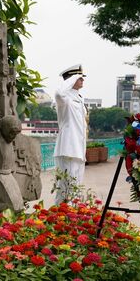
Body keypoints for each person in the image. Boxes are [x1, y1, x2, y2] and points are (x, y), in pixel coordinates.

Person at [53, 64, 88, 202]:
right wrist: (69, 80)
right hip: (68, 148)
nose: (83, 80)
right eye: (80, 78)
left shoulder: (79, 98)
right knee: (66, 186)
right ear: (72, 79)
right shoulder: (64, 98)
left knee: (77, 186)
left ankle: (74, 215)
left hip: (79, 148)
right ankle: (61, 214)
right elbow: (58, 93)